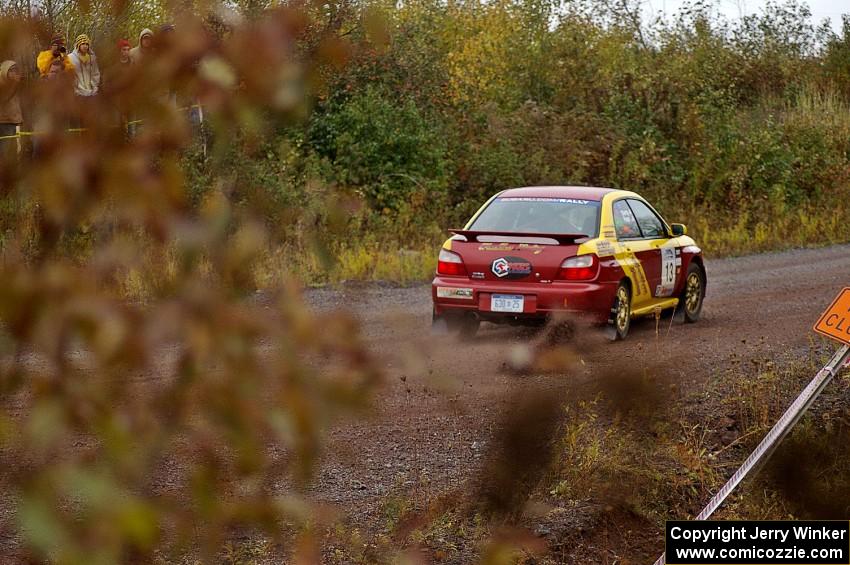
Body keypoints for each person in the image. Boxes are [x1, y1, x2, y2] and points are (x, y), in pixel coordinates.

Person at [0, 60, 23, 161]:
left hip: (13, 120)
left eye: (16, 70)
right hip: (3, 121)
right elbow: (3, 99)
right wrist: (14, 85)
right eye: (12, 70)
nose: (15, 73)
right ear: (5, 71)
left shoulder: (16, 83)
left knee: (12, 149)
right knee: (5, 149)